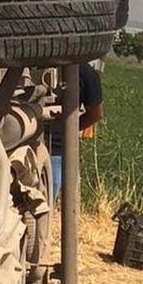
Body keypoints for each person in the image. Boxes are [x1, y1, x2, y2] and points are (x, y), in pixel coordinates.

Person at [50, 62, 103, 202]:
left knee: (49, 194)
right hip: (18, 138)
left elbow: (96, 113)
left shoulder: (85, 73)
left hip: (56, 150)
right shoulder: (28, 63)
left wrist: (68, 128)